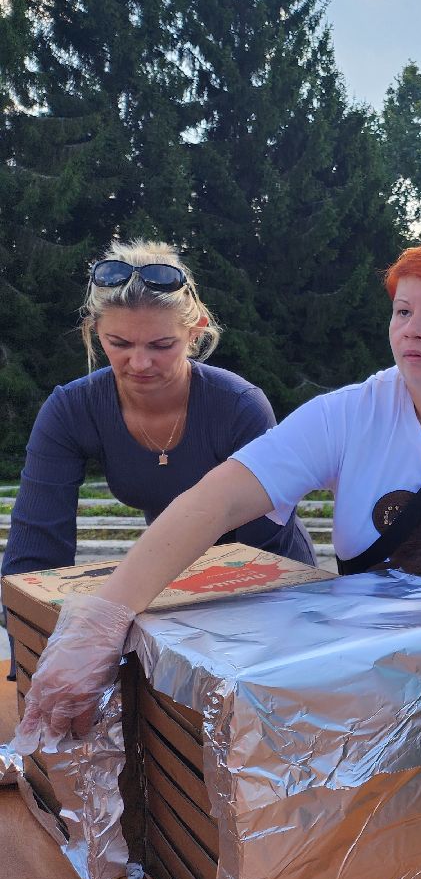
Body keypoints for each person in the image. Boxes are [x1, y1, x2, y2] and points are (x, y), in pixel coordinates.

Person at [9, 239, 421, 854]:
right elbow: (218, 500)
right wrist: (103, 616)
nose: (412, 330)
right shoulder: (350, 412)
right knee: (384, 836)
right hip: (380, 671)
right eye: (402, 312)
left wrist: (402, 605)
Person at [2, 241, 315, 681]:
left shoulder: (238, 406)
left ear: (196, 331)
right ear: (94, 331)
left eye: (162, 344)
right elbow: (35, 551)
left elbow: (259, 550)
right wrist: (32, 660)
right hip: (166, 574)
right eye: (119, 343)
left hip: (270, 579)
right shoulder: (71, 409)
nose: (140, 363)